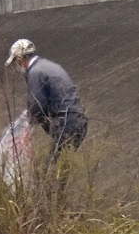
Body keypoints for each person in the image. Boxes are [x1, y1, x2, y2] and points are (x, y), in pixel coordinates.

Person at [5, 39, 87, 167]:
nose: (17, 65)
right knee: (60, 166)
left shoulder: (35, 72)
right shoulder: (49, 66)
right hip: (78, 121)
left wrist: (28, 123)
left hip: (66, 124)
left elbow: (37, 104)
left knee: (51, 171)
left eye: (16, 61)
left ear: (20, 59)